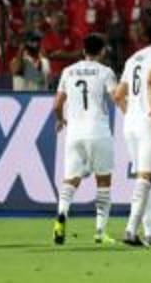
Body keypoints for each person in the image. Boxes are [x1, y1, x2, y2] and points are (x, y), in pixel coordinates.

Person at [52, 33, 118, 245]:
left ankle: (62, 214)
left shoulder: (68, 71)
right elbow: (116, 96)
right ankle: (100, 231)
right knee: (104, 181)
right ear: (103, 51)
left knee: (71, 179)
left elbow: (57, 104)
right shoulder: (105, 72)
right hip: (98, 130)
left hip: (74, 133)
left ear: (83, 50)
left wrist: (61, 120)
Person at [113, 16, 151, 247]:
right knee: (146, 177)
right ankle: (130, 229)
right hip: (149, 123)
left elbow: (118, 94)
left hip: (130, 124)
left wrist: (130, 113)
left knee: (146, 176)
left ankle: (150, 229)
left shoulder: (133, 58)